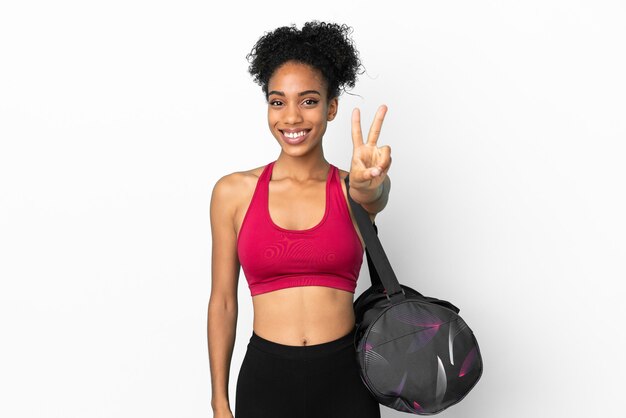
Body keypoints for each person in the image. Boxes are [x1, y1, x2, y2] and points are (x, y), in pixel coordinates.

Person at [207, 21, 392, 418]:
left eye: (307, 101)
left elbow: (373, 195)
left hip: (346, 383)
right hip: (266, 381)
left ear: (331, 107)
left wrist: (369, 182)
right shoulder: (233, 193)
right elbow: (223, 301)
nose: (291, 117)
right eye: (278, 102)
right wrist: (219, 401)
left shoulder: (351, 188)